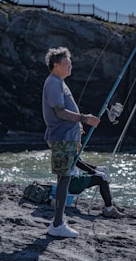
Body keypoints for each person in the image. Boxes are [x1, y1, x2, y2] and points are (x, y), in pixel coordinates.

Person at [42, 46, 100, 238]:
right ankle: (57, 224)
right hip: (61, 139)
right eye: (67, 63)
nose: (70, 66)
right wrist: (84, 119)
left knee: (64, 178)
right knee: (64, 178)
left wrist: (78, 130)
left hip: (68, 139)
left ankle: (58, 222)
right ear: (56, 65)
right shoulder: (53, 83)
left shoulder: (60, 83)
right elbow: (59, 112)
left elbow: (65, 112)